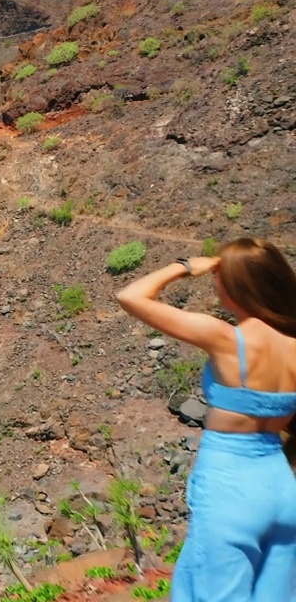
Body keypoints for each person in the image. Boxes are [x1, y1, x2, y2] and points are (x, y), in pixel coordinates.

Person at [116, 238, 296, 600]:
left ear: (232, 285)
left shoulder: (227, 338)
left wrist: (185, 266)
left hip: (231, 487)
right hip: (281, 489)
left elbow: (131, 296)